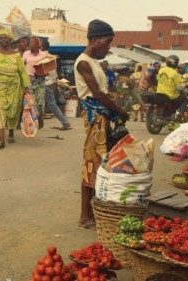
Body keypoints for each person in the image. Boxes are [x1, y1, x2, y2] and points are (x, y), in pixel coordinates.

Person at [74, 19, 129, 229]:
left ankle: (94, 213)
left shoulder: (94, 62)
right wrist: (120, 110)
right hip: (94, 118)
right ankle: (84, 217)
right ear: (95, 40)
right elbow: (97, 94)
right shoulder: (83, 62)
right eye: (107, 42)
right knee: (91, 165)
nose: (108, 47)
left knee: (101, 165)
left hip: (101, 118)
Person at [0, 28, 30, 149]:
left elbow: (23, 72)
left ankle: (11, 132)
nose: (2, 40)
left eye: (5, 38)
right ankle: (1, 140)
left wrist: (26, 88)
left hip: (14, 87)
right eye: (0, 38)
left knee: (12, 111)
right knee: (0, 111)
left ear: (9, 40)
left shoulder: (16, 56)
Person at [41, 39, 71, 130]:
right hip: (51, 83)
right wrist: (55, 82)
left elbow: (44, 72)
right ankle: (38, 122)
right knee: (43, 103)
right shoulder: (52, 57)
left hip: (45, 83)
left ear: (41, 46)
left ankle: (65, 122)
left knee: (51, 104)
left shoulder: (42, 57)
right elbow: (54, 72)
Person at [22, 36, 48, 129]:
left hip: (40, 80)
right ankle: (30, 122)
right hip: (29, 80)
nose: (30, 44)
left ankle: (40, 116)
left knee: (40, 102)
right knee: (29, 101)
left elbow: (48, 68)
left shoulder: (43, 54)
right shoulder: (25, 53)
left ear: (38, 45)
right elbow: (22, 67)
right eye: (29, 42)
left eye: (32, 42)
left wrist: (43, 73)